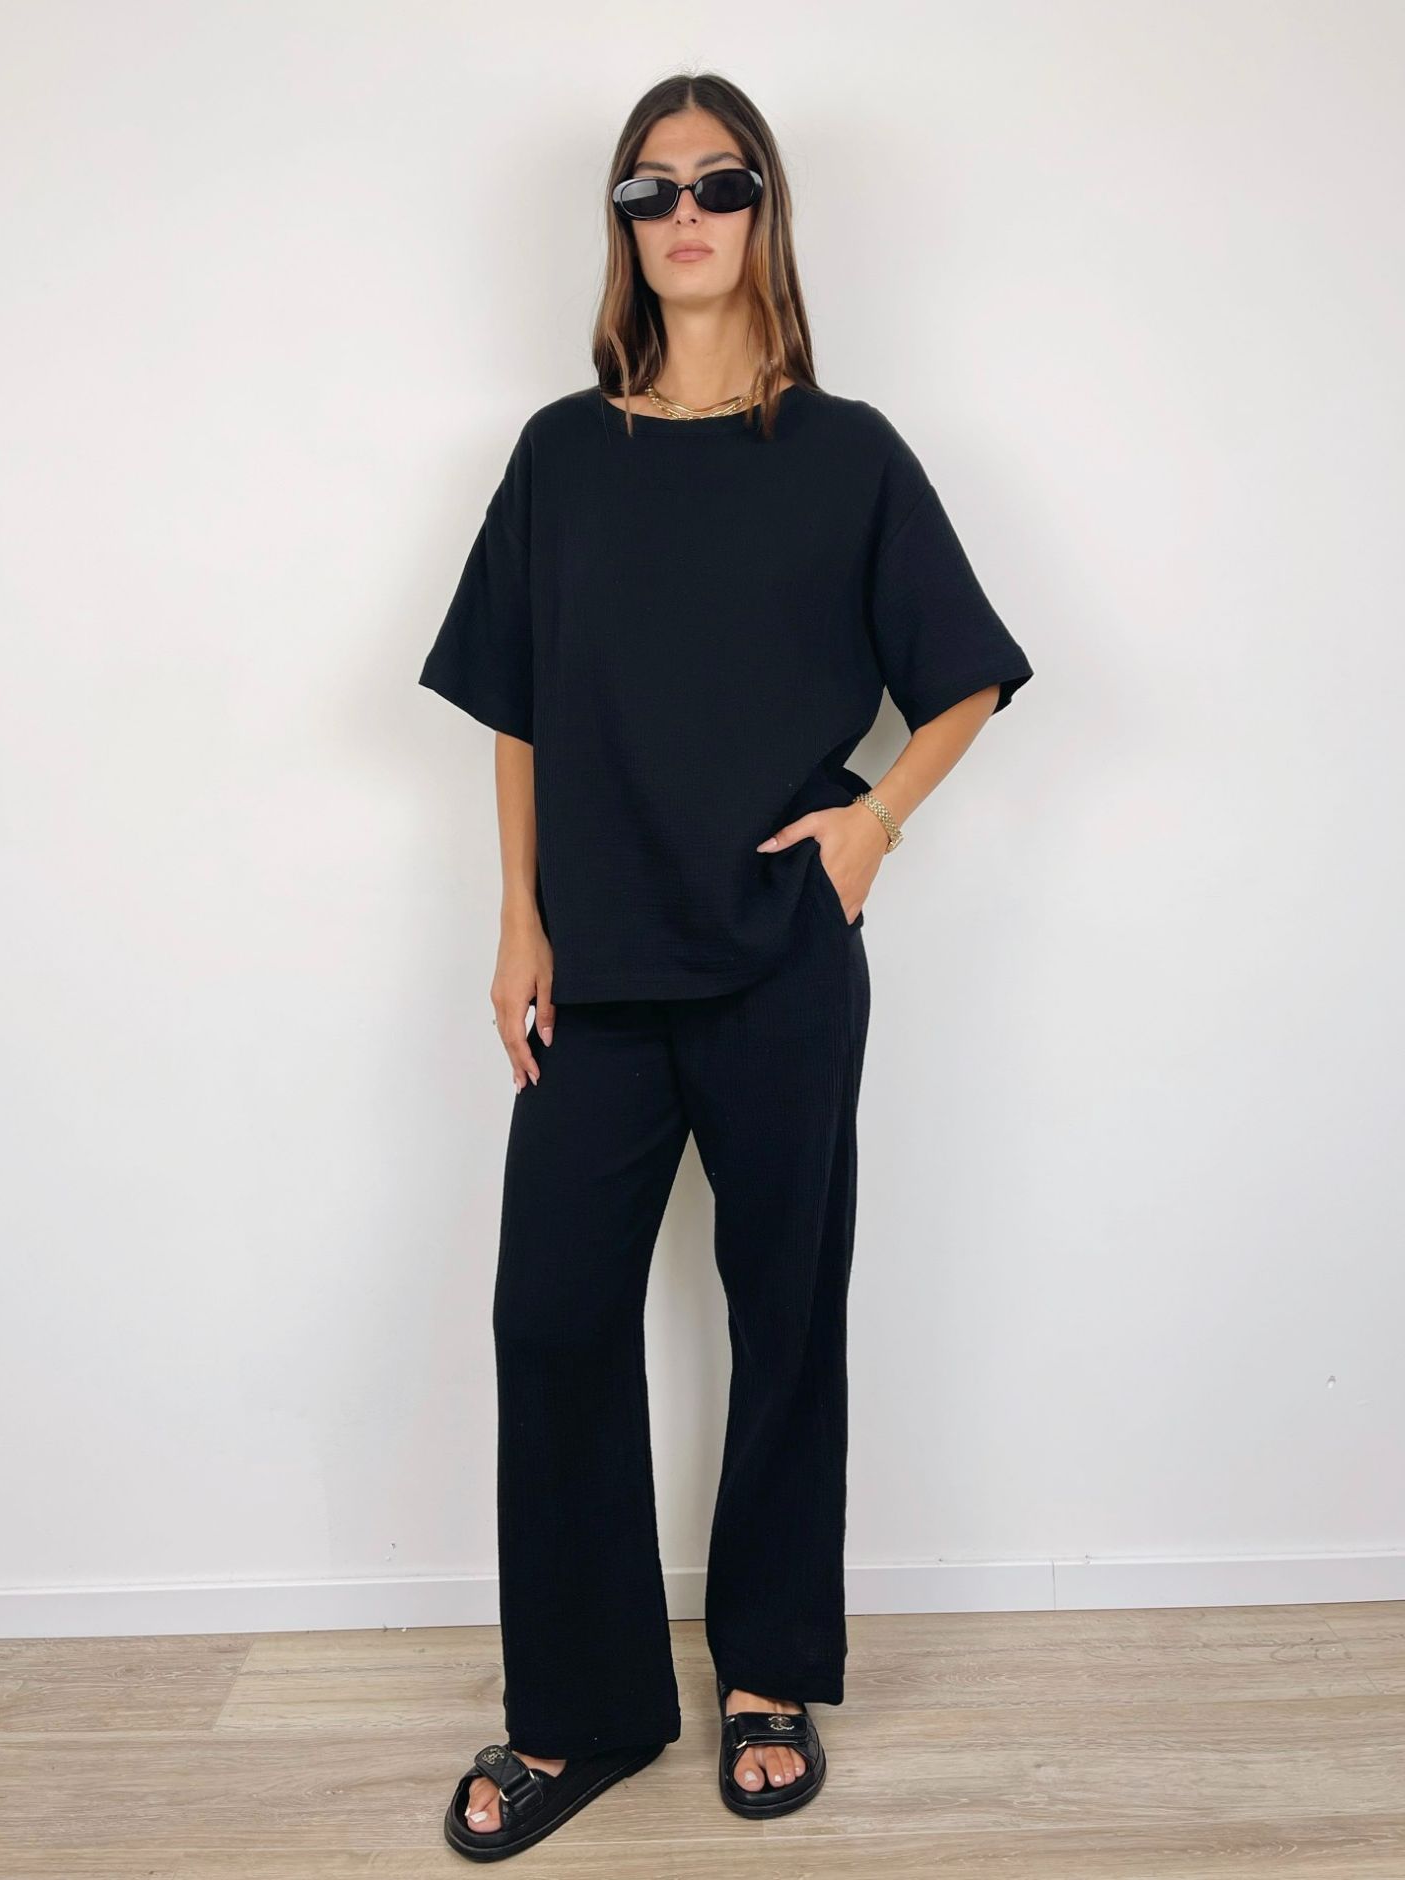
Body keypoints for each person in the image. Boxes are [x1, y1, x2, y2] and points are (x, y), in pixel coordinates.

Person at [420, 71, 1034, 1863]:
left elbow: (967, 674)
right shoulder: (561, 453)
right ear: (620, 227)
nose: (683, 215)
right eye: (649, 190)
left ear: (767, 211)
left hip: (780, 962)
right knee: (551, 1318)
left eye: (719, 182)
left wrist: (875, 823)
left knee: (786, 1314)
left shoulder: (849, 452)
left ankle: (769, 1674)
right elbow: (519, 709)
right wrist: (519, 919)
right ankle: (584, 1707)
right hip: (600, 974)